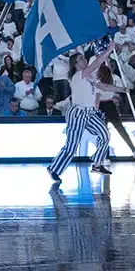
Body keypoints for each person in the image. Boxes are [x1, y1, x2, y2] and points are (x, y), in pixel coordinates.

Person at [47, 47, 112, 185]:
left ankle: (97, 163)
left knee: (105, 135)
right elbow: (97, 62)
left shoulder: (89, 77)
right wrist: (109, 49)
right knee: (71, 147)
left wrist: (122, 90)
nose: (84, 59)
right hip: (78, 113)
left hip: (89, 112)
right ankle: (54, 169)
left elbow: (103, 82)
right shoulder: (78, 75)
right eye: (81, 59)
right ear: (76, 64)